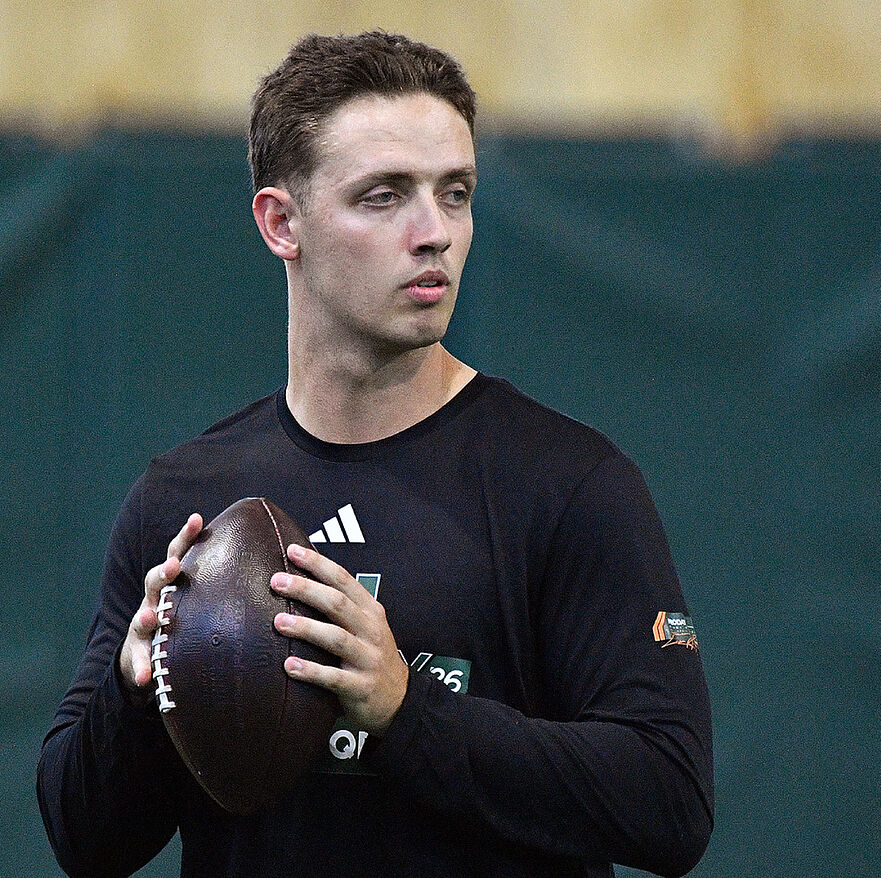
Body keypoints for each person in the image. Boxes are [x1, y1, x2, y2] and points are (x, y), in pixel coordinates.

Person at [37, 30, 713, 878]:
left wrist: (405, 709)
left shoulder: (569, 484)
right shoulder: (189, 501)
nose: (434, 233)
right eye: (385, 196)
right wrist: (140, 697)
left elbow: (670, 802)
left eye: (456, 193)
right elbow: (82, 841)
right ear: (282, 222)